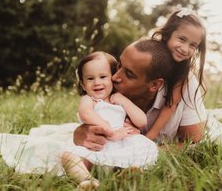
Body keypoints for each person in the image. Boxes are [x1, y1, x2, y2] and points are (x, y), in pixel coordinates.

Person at [73, 38, 207, 151]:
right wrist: (80, 132)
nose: (114, 77)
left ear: (154, 85)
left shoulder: (184, 87)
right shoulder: (107, 86)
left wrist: (144, 150)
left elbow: (194, 142)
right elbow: (88, 115)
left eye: (129, 74)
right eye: (119, 66)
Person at [61, 51, 159, 189]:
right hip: (95, 148)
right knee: (68, 156)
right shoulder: (89, 100)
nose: (97, 82)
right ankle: (87, 180)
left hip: (121, 145)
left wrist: (124, 101)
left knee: (131, 157)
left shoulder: (118, 99)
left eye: (103, 77)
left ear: (112, 78)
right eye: (90, 79)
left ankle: (125, 174)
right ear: (83, 85)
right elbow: (86, 114)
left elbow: (142, 121)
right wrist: (110, 131)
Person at [145, 8, 207, 142]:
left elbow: (170, 105)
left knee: (194, 139)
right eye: (182, 39)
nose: (185, 49)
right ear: (167, 35)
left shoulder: (183, 72)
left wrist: (149, 138)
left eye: (192, 45)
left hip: (175, 106)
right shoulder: (148, 54)